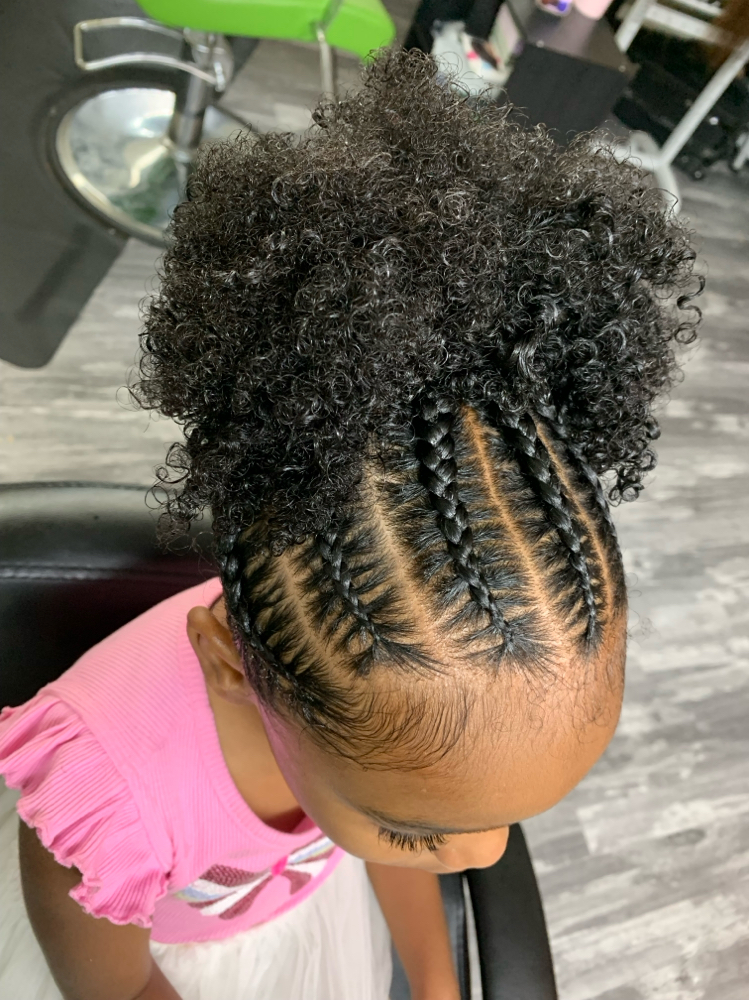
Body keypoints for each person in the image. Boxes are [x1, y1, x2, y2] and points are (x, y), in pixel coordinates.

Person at [0, 46, 700, 1000]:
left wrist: (437, 983)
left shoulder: (368, 749)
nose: (478, 855)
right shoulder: (109, 804)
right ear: (228, 660)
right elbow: (114, 988)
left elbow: (392, 850)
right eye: (417, 832)